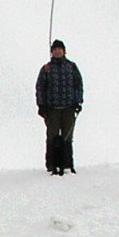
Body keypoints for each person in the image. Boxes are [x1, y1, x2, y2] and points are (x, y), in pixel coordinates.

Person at [36, 39, 84, 175]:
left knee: (67, 137)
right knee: (52, 137)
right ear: (52, 52)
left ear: (64, 51)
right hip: (52, 110)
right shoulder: (46, 69)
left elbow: (78, 85)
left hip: (69, 108)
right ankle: (51, 165)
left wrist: (78, 102)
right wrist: (41, 105)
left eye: (60, 49)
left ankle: (67, 164)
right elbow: (40, 88)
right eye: (55, 49)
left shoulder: (72, 67)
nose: (57, 51)